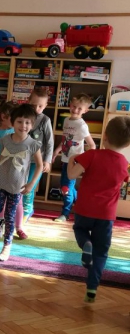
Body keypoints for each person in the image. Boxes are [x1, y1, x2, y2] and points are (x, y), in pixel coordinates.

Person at [66, 116, 130, 303]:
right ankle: (92, 288)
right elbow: (125, 180)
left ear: (105, 136)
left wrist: (71, 160)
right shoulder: (123, 164)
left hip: (85, 208)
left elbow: (72, 175)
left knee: (80, 229)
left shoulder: (92, 155)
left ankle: (86, 243)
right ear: (127, 144)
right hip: (106, 215)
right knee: (101, 252)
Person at [0, 104, 43, 262]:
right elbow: (0, 158)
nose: (23, 125)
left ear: (32, 125)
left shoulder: (32, 144)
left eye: (27, 122)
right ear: (13, 122)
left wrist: (31, 184)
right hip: (0, 181)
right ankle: (0, 225)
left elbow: (40, 166)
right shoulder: (5, 139)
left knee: (10, 216)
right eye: (19, 121)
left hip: (17, 186)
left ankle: (6, 246)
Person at [0, 100, 24, 240]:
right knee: (0, 202)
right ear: (3, 116)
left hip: (16, 173)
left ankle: (19, 227)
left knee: (18, 201)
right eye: (13, 118)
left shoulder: (18, 131)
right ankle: (0, 227)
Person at [52, 94, 95, 222]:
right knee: (67, 186)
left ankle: (65, 213)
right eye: (74, 106)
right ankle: (81, 206)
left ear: (85, 111)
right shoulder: (67, 120)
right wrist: (57, 150)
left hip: (75, 162)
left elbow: (92, 145)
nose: (75, 110)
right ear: (70, 104)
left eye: (79, 108)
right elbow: (65, 139)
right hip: (65, 159)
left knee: (66, 188)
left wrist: (86, 161)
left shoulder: (82, 126)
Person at [22, 86, 54, 225]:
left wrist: (47, 161)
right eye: (33, 105)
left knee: (30, 186)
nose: (36, 109)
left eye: (40, 106)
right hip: (22, 159)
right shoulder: (23, 116)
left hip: (37, 162)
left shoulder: (45, 120)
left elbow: (50, 142)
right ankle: (18, 209)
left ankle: (27, 210)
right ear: (28, 101)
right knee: (19, 186)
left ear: (45, 106)